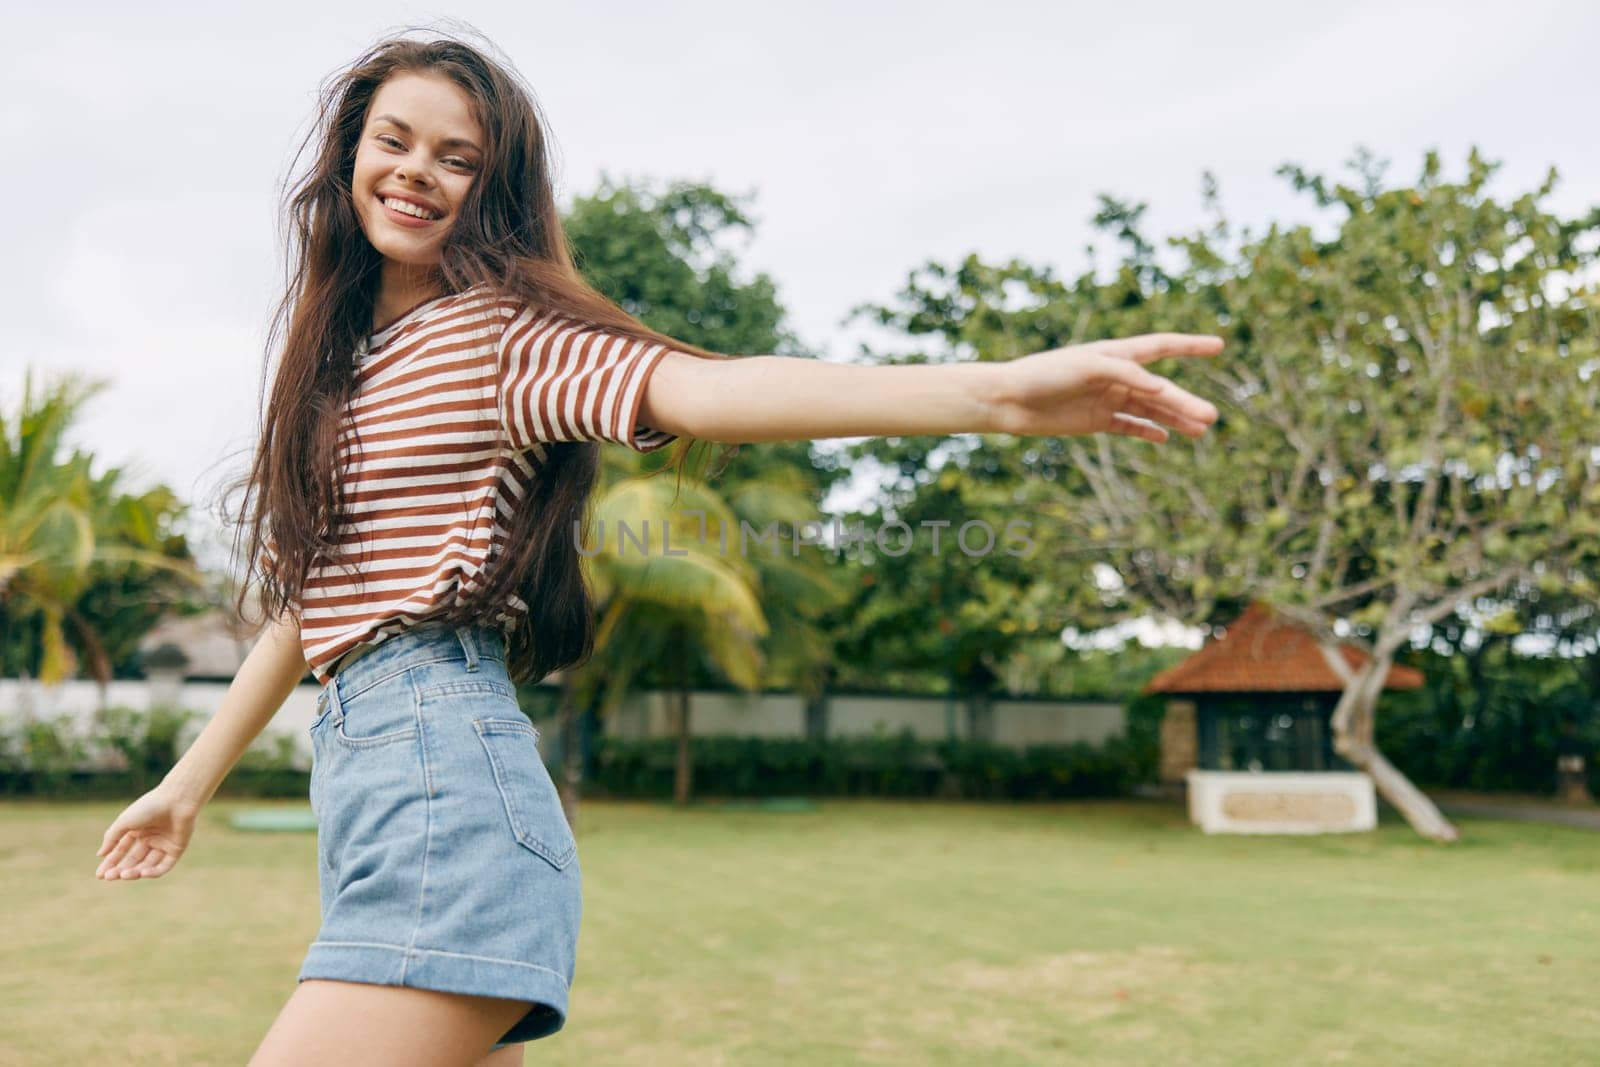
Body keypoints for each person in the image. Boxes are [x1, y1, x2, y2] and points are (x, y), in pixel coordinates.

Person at [90, 29, 1223, 1067]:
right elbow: (311, 600)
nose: (416, 172)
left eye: (456, 158)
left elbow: (705, 389)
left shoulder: (498, 338)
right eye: (393, 141)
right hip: (371, 780)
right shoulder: (342, 375)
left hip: (442, 770)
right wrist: (185, 785)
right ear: (348, 156)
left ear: (491, 191)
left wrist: (999, 397)